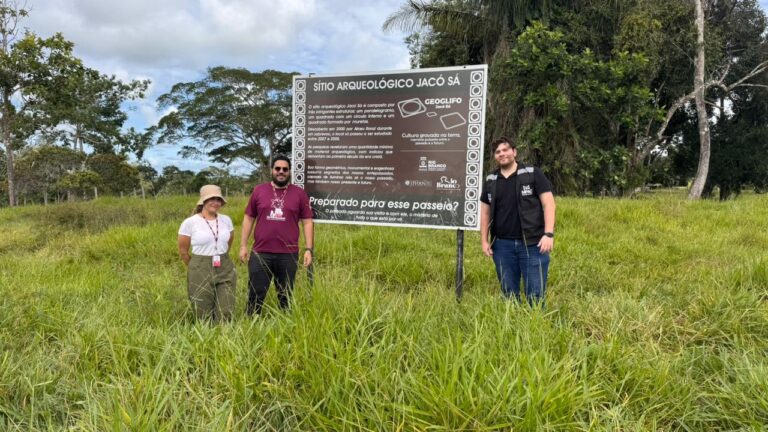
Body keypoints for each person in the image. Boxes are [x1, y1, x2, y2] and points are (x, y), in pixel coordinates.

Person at [480, 137, 556, 305]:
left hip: (533, 244)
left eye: (505, 149)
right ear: (495, 156)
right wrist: (484, 241)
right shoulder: (491, 180)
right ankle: (513, 327)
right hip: (502, 246)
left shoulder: (532, 173)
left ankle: (536, 328)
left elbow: (549, 204)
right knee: (509, 295)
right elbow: (485, 213)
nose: (502, 154)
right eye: (498, 152)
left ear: (514, 152)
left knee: (536, 295)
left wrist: (548, 234)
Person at [239, 155, 314, 315]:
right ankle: (250, 324)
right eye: (278, 168)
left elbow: (307, 221)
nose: (281, 172)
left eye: (285, 169)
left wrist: (308, 249)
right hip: (261, 253)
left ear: (289, 171)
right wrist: (243, 245)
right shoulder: (259, 190)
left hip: (288, 254)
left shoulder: (299, 193)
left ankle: (285, 326)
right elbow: (248, 217)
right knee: (255, 294)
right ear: (272, 170)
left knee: (285, 296)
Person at [178, 185, 236, 322]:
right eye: (211, 199)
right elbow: (183, 250)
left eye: (218, 199)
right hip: (200, 267)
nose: (215, 202)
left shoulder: (226, 220)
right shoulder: (190, 222)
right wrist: (195, 266)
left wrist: (221, 256)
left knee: (226, 309)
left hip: (224, 265)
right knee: (202, 310)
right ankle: (205, 339)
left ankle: (224, 338)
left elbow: (229, 242)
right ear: (203, 201)